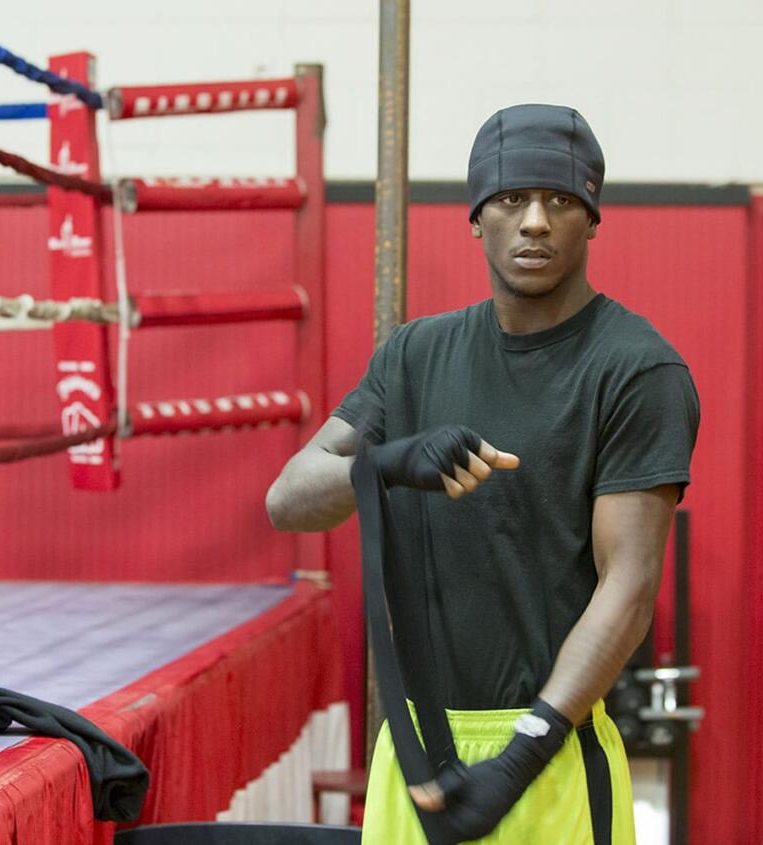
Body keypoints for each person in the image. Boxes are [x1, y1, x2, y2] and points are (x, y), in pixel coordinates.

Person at [266, 103, 699, 844]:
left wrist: (525, 750)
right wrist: (386, 463)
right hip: (416, 754)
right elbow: (288, 499)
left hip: (551, 752)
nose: (535, 220)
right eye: (511, 199)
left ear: (591, 217)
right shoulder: (414, 355)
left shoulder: (636, 368)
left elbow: (628, 587)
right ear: (476, 218)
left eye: (560, 200)